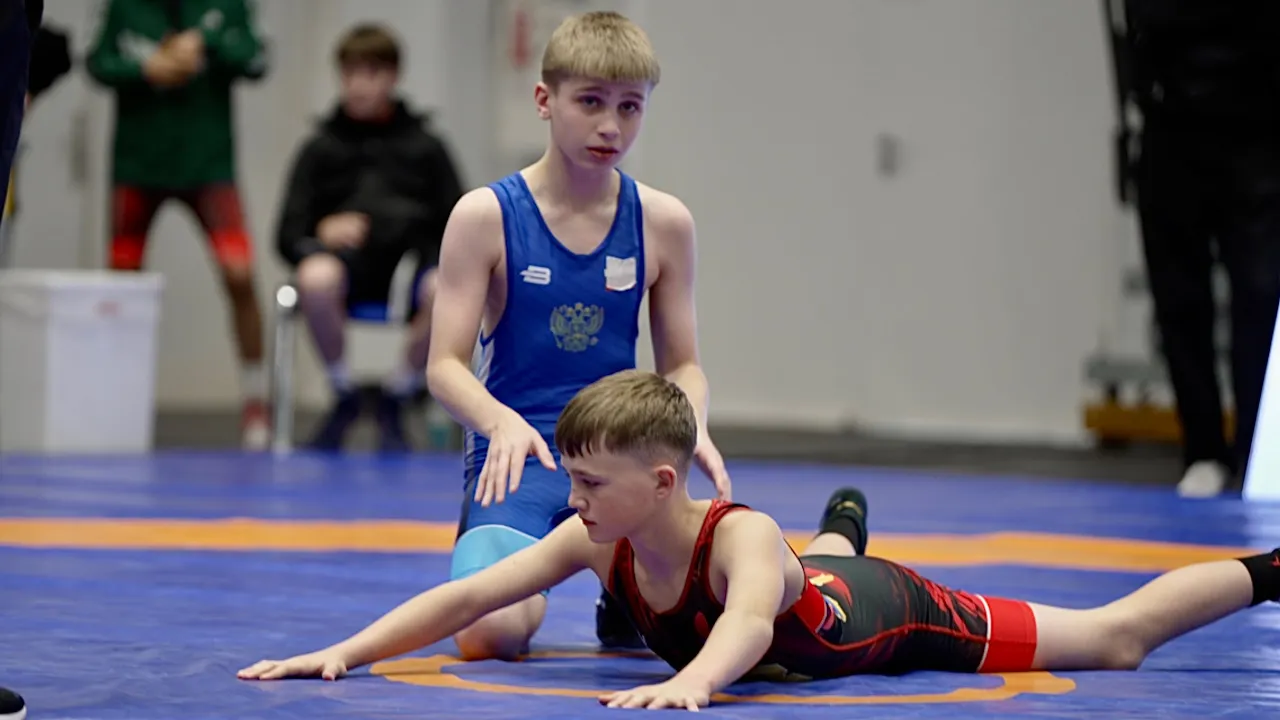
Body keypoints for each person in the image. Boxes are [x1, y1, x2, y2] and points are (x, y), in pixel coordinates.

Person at [238, 369, 1280, 711]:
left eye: (589, 482)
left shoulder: (738, 540)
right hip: (803, 594)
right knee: (815, 566)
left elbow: (741, 625)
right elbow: (467, 598)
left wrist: (692, 684)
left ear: (663, 483)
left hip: (886, 614)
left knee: (1112, 640)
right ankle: (840, 534)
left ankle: (1270, 570)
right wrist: (344, 650)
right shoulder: (596, 537)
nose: (572, 499)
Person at [423, 10, 730, 656]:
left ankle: (621, 588)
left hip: (625, 463)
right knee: (487, 634)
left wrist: (692, 423)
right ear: (545, 100)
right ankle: (543, 565)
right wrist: (500, 422)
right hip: (522, 457)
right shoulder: (485, 216)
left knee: (701, 626)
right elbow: (444, 365)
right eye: (590, 101)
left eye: (629, 106)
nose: (611, 126)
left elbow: (683, 365)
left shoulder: (663, 222)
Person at [86, 0, 272, 450]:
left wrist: (207, 44)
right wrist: (145, 67)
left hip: (208, 164)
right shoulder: (127, 6)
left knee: (239, 273)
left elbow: (256, 60)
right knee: (123, 286)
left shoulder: (225, 5)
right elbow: (97, 63)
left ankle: (256, 401)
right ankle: (116, 401)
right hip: (137, 164)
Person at [274, 24, 464, 452]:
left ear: (393, 76)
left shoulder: (427, 147)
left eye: (371, 73)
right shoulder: (319, 149)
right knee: (314, 276)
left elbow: (461, 225)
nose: (359, 85)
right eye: (350, 74)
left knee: (448, 288)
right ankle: (345, 392)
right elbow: (285, 235)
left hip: (411, 270)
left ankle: (398, 394)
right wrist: (321, 231)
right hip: (346, 270)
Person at [1119, 0, 1280, 497]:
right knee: (1179, 300)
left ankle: (1256, 449)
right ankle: (1204, 450)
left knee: (1261, 296)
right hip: (1171, 123)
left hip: (1256, 126)